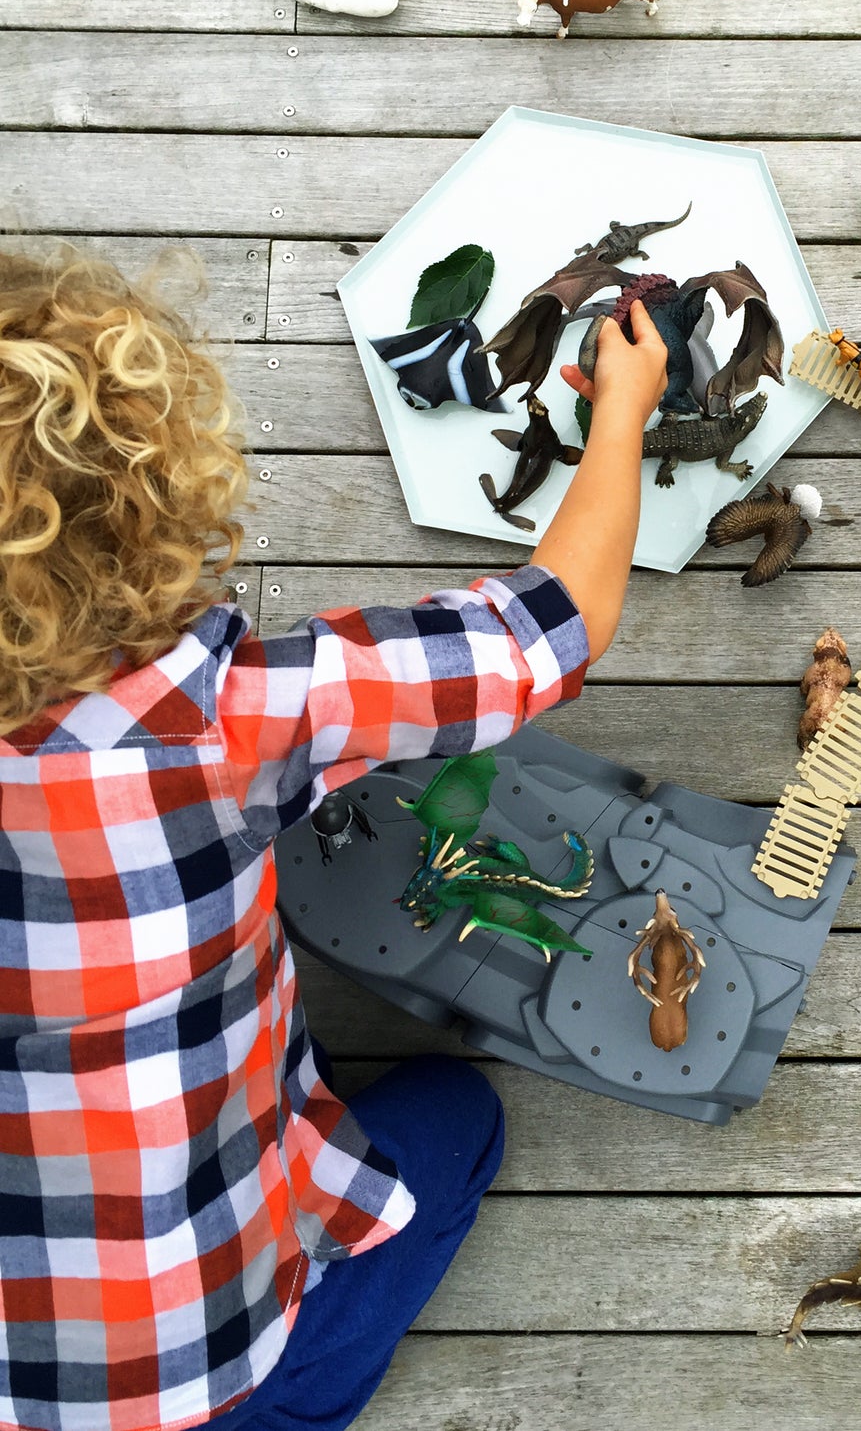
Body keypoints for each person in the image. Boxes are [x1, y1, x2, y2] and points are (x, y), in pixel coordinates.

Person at [0, 244, 667, 1431]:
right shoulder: (215, 717)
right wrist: (621, 410)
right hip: (201, 1358)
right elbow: (551, 625)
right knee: (458, 1124)